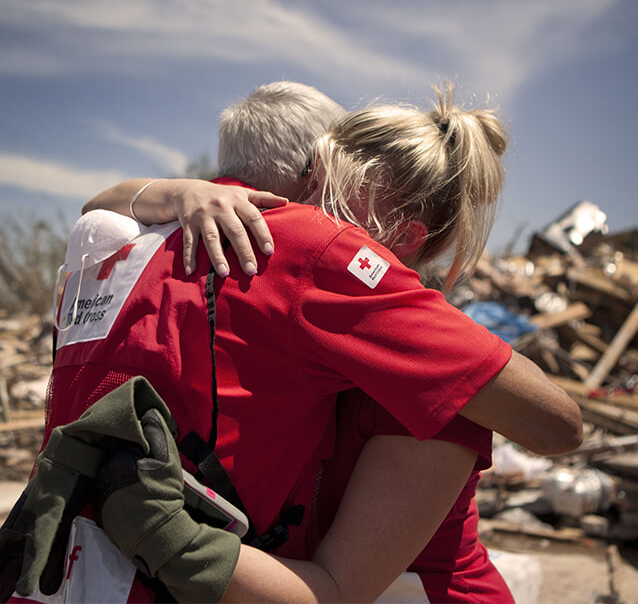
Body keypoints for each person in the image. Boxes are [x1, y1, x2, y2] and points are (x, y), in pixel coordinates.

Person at [27, 82, 579, 603]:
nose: (308, 209)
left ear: (403, 232)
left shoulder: (338, 277)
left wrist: (165, 533)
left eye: (326, 190)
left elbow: (335, 589)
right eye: (311, 184)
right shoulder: (307, 282)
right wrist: (176, 190)